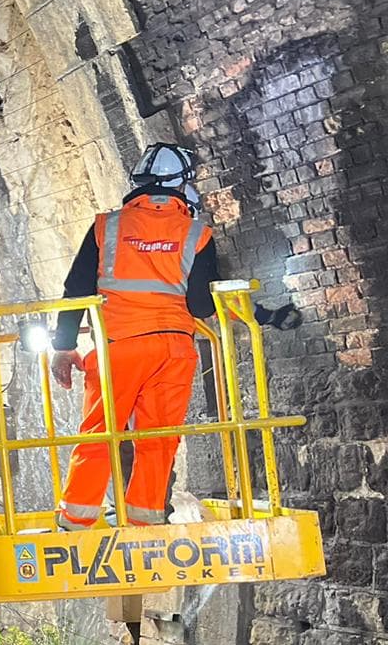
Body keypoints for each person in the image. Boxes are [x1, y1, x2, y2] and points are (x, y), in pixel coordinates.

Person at [51, 144, 300, 528]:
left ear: (139, 184)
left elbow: (77, 290)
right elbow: (202, 304)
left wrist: (64, 346)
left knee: (101, 432)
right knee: (160, 438)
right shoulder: (196, 234)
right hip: (174, 351)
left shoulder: (107, 226)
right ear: (182, 186)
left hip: (121, 346)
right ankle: (146, 518)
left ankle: (74, 520)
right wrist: (264, 315)